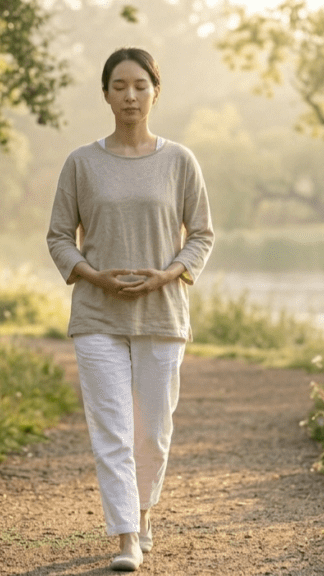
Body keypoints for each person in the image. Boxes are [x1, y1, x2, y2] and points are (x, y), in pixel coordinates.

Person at [46, 47, 214, 572]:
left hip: (163, 316)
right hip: (96, 316)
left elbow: (202, 235)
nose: (130, 95)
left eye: (140, 85)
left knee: (152, 432)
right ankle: (125, 539)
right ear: (105, 94)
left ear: (155, 92)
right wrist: (92, 275)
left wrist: (170, 274)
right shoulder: (82, 162)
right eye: (119, 86)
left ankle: (143, 515)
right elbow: (58, 237)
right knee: (113, 430)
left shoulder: (180, 160)